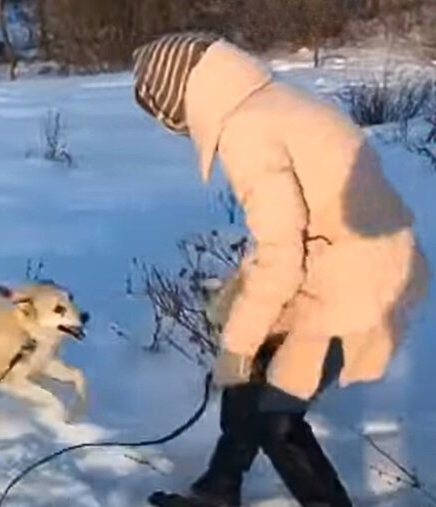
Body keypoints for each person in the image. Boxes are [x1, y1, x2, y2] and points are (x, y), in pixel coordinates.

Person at [130, 32, 431, 507]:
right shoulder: (274, 101)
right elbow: (304, 220)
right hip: (357, 261)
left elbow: (283, 252)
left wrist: (237, 342)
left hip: (357, 281)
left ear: (181, 100)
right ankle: (218, 487)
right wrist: (248, 311)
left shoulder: (246, 131)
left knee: (277, 416)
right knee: (253, 367)